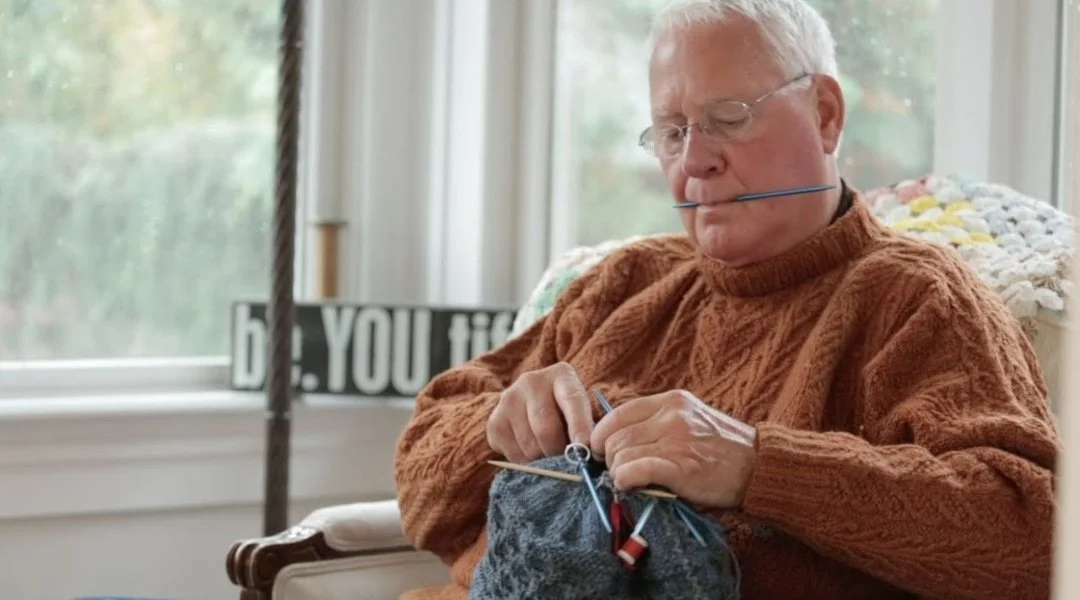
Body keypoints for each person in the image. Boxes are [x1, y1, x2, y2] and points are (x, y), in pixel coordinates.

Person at [394, 0, 1061, 598]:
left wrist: (754, 466)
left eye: (727, 118)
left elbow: (1036, 538)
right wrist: (497, 427)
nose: (695, 162)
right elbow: (420, 489)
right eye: (673, 132)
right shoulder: (624, 282)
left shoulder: (918, 298)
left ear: (824, 115)